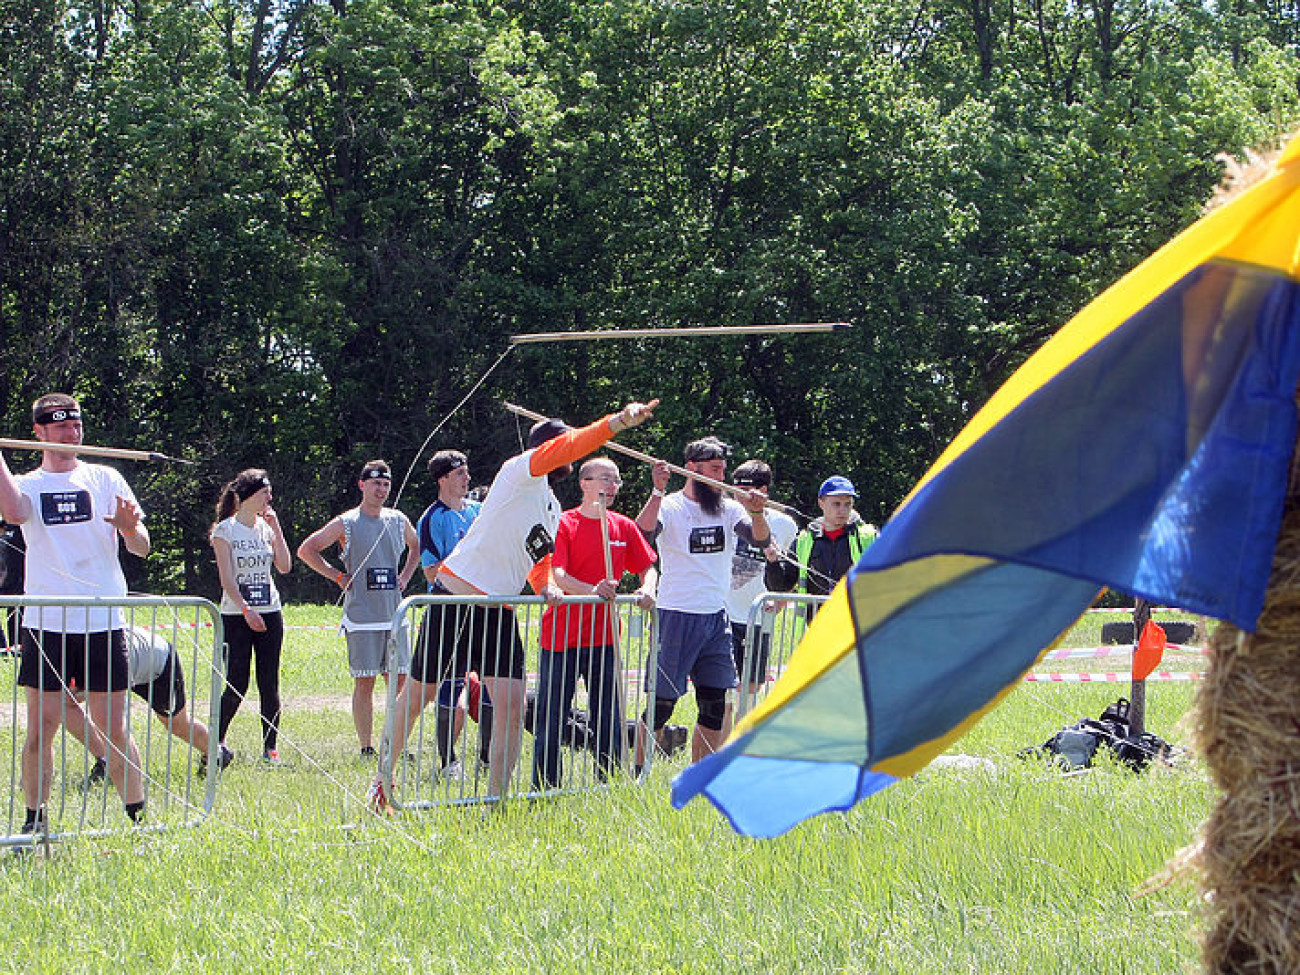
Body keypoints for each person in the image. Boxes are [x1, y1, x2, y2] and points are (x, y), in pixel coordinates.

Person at [372, 398, 659, 807]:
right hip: (456, 599)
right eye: (566, 448)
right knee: (418, 696)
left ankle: (497, 800)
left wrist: (548, 587)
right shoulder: (518, 471)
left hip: (500, 611)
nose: (571, 456)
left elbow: (537, 559)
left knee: (508, 707)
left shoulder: (552, 507)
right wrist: (614, 423)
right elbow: (567, 447)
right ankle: (383, 780)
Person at [0, 393, 149, 834]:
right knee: (40, 728)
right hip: (46, 624)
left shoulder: (105, 477)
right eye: (61, 426)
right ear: (39, 433)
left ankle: (137, 819)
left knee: (114, 729)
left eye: (76, 424)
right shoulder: (27, 484)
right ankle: (34, 821)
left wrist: (127, 529)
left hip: (103, 621)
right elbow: (13, 512)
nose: (72, 432)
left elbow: (142, 544)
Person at [635, 436, 769, 764]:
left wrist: (757, 512)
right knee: (661, 705)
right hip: (675, 615)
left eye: (722, 471)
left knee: (715, 703)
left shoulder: (729, 508)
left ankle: (701, 775)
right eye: (714, 470)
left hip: (715, 617)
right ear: (692, 469)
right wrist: (656, 490)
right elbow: (643, 533)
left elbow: (761, 539)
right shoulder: (671, 506)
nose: (720, 478)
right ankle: (636, 771)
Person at [532, 457, 657, 790]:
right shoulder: (564, 523)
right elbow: (557, 574)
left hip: (604, 638)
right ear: (584, 483)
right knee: (552, 716)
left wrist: (647, 588)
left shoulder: (622, 526)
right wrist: (593, 591)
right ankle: (546, 787)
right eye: (604, 479)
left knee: (608, 717)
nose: (611, 486)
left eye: (616, 480)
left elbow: (648, 566)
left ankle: (609, 783)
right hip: (562, 638)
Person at [297, 460, 420, 757]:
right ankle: (366, 746)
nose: (381, 489)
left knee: (400, 681)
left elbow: (416, 547)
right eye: (376, 483)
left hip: (394, 615)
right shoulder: (347, 522)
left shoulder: (397, 519)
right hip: (362, 616)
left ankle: (396, 743)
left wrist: (404, 576)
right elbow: (307, 550)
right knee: (365, 682)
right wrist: (337, 576)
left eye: (386, 484)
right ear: (361, 485)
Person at [68, 625, 234, 785]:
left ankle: (218, 753)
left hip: (158, 665)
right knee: (66, 702)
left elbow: (114, 713)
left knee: (177, 724)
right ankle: (105, 760)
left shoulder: (106, 650)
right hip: (130, 664)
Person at [210, 469, 292, 764]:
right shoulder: (225, 531)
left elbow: (283, 567)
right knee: (237, 682)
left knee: (269, 683)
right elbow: (226, 579)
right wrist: (246, 610)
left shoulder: (266, 528)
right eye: (264, 493)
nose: (269, 499)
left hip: (270, 610)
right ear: (247, 496)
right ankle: (214, 744)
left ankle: (271, 750)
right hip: (236, 615)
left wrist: (278, 530)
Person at [412, 450, 482, 778]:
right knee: (449, 686)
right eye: (459, 474)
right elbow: (430, 571)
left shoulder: (478, 512)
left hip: (483, 608)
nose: (467, 478)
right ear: (443, 479)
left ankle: (485, 757)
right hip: (449, 610)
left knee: (492, 684)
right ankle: (447, 761)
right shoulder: (432, 518)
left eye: (467, 473)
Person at [726, 460, 799, 697]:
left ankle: (745, 731)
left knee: (751, 688)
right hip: (723, 613)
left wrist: (780, 600)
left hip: (757, 616)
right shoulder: (725, 514)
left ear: (764, 491)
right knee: (723, 690)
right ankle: (724, 735)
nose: (739, 497)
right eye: (735, 490)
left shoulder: (784, 524)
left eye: (746, 491)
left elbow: (789, 574)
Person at [765, 475, 878, 610]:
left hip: (856, 624)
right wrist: (773, 561)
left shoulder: (869, 536)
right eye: (836, 504)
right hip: (817, 625)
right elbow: (782, 587)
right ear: (821, 503)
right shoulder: (804, 540)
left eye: (848, 504)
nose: (843, 510)